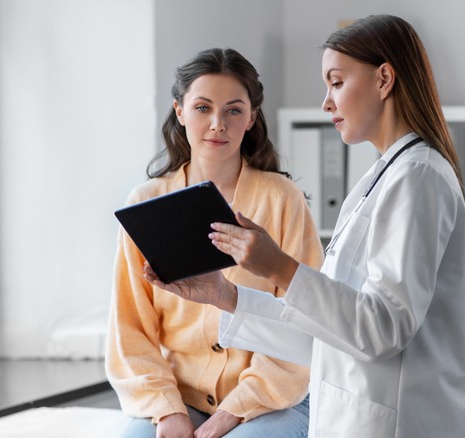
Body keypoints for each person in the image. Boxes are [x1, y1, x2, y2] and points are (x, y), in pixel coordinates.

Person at [142, 15, 465, 438]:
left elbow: (381, 330)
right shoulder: (385, 177)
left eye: (336, 82)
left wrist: (278, 267)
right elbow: (326, 334)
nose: (326, 102)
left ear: (384, 78)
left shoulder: (418, 177)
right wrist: (223, 295)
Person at [106, 48, 324, 438]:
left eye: (234, 110)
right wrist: (167, 410)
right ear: (180, 110)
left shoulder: (282, 199)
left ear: (253, 117)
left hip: (274, 398)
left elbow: (308, 317)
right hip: (179, 396)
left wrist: (233, 412)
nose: (217, 124)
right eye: (203, 108)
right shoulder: (145, 204)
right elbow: (129, 331)